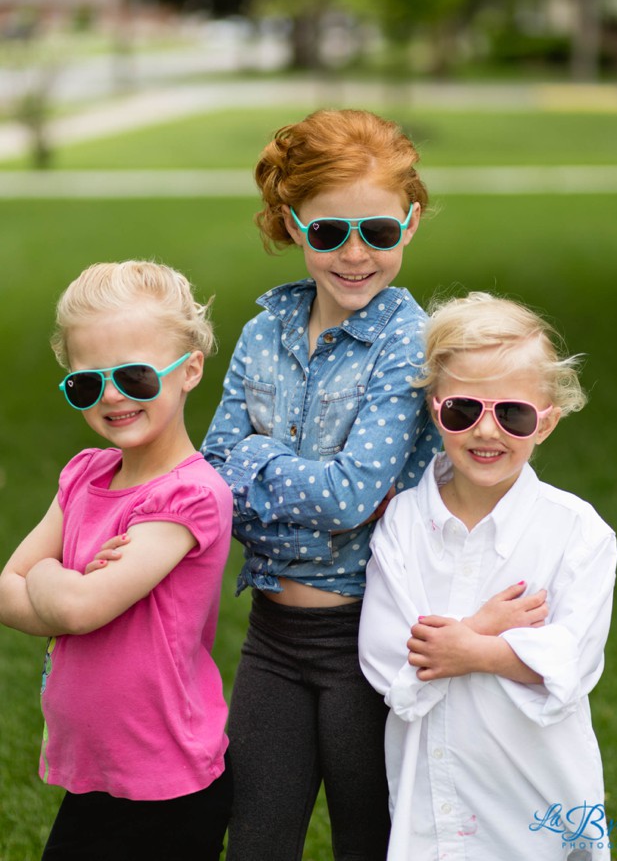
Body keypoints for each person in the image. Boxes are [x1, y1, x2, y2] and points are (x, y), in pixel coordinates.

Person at [198, 108, 454, 861]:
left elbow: (350, 497)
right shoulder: (262, 331)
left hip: (369, 638)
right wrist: (251, 466)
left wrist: (254, 457)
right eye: (327, 231)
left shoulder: (408, 341)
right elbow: (209, 473)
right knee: (255, 837)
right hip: (272, 637)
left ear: (408, 224)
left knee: (368, 838)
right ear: (291, 221)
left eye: (376, 232)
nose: (354, 254)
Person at [358, 292, 617, 861]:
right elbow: (385, 659)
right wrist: (483, 629)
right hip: (436, 802)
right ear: (435, 410)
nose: (486, 431)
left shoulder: (579, 533)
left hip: (537, 795)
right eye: (463, 410)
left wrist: (468, 651)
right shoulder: (403, 522)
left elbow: (570, 663)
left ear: (545, 423)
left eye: (513, 413)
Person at [0, 260, 232, 861]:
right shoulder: (83, 475)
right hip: (96, 767)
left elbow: (78, 609)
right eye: (86, 382)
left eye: (134, 375)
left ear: (190, 371)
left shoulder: (189, 495)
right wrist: (63, 587)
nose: (111, 396)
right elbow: (5, 592)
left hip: (166, 780)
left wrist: (49, 577)